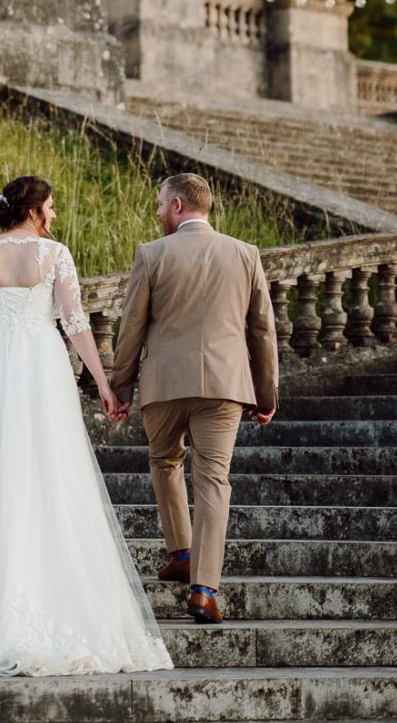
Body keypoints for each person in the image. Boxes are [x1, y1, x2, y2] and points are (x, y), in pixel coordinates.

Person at [0, 174, 172, 677]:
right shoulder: (56, 255)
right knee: (48, 469)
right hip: (42, 365)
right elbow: (75, 323)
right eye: (52, 205)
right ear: (34, 209)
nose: (56, 213)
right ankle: (44, 586)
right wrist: (103, 383)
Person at [108, 172, 278, 625]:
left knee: (164, 461)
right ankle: (203, 588)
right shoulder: (245, 254)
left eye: (162, 203)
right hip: (224, 387)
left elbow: (132, 329)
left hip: (163, 386)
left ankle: (180, 550)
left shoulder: (151, 254)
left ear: (180, 206)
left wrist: (120, 389)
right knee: (213, 481)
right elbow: (261, 329)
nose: (158, 211)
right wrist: (266, 393)